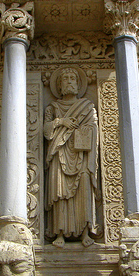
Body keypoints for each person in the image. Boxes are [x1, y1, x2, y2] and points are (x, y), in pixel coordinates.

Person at [44, 68, 99, 248]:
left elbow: (93, 128)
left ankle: (85, 231)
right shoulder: (53, 108)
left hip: (80, 153)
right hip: (59, 154)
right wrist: (61, 122)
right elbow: (45, 131)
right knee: (59, 192)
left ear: (78, 84)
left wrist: (79, 130)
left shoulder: (87, 107)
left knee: (83, 188)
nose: (69, 81)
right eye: (65, 78)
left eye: (72, 78)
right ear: (59, 86)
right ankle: (59, 232)